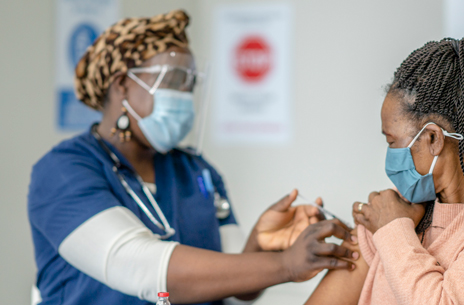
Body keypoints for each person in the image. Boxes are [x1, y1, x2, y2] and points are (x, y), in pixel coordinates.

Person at [27, 10, 358, 305]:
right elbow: (139, 267)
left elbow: (236, 286)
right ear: (121, 86)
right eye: (172, 82)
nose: (184, 97)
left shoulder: (196, 170)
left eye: (189, 84)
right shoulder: (63, 171)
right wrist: (285, 264)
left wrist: (260, 243)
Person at [306, 36, 464, 304]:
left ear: (433, 139)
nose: (390, 155)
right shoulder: (402, 211)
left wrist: (392, 229)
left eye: (391, 142)